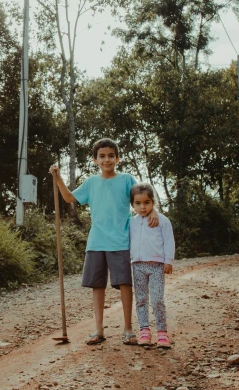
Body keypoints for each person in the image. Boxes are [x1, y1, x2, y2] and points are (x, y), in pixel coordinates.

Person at [50, 138, 158, 345]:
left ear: (117, 158)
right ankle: (98, 330)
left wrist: (153, 211)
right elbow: (69, 198)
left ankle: (128, 329)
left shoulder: (126, 179)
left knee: (125, 284)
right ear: (94, 160)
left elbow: (141, 198)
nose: (106, 159)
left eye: (110, 155)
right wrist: (58, 179)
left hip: (121, 240)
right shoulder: (92, 182)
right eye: (102, 156)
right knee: (97, 285)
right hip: (97, 240)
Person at [128, 183, 175, 348]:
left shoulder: (161, 220)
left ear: (153, 202)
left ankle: (162, 333)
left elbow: (169, 241)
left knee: (157, 299)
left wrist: (168, 261)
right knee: (141, 299)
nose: (142, 207)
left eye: (147, 203)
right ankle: (144, 331)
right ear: (132, 204)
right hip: (137, 266)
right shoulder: (131, 222)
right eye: (138, 203)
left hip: (156, 266)